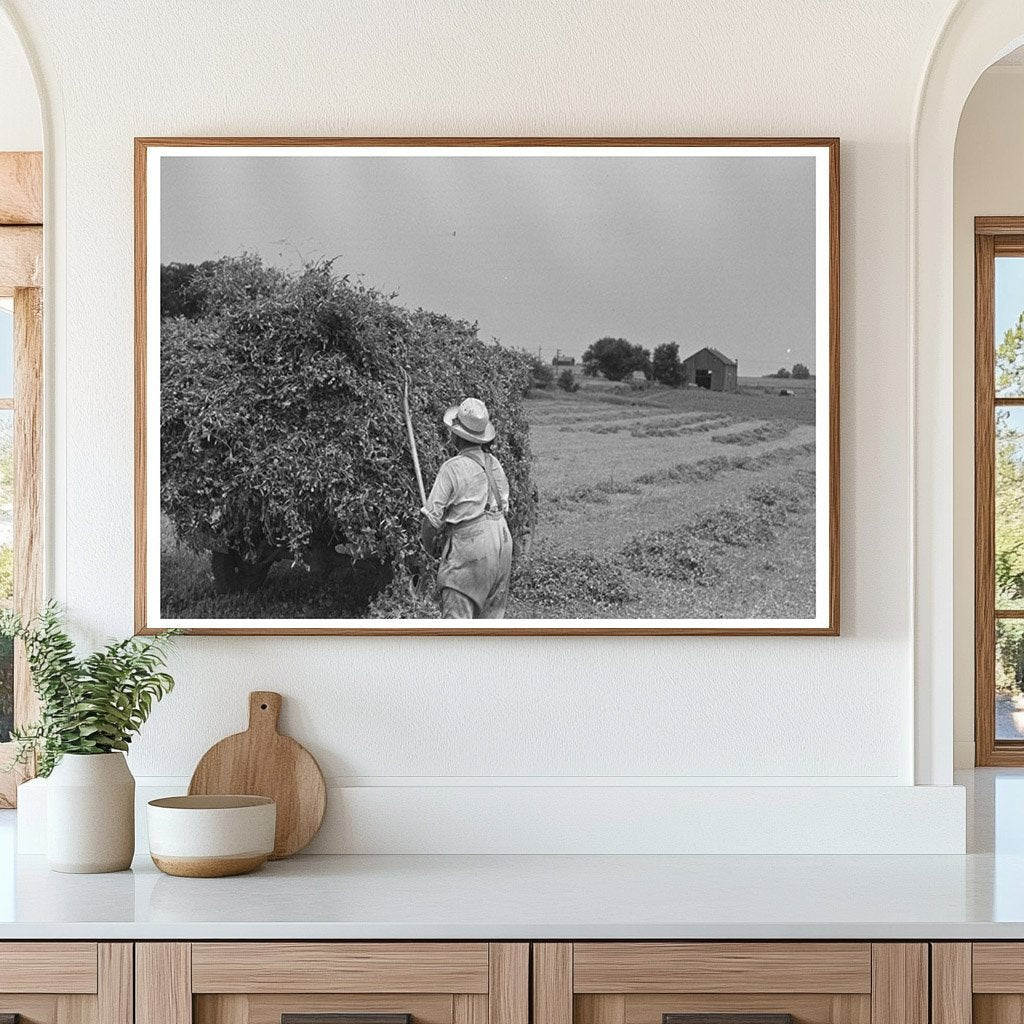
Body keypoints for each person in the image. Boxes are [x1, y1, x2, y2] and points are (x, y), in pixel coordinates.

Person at [420, 397, 513, 619]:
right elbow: (504, 507)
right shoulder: (494, 464)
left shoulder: (452, 468)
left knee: (457, 625)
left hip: (472, 546)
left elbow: (431, 519)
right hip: (502, 541)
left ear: (456, 435)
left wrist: (428, 547)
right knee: (490, 624)